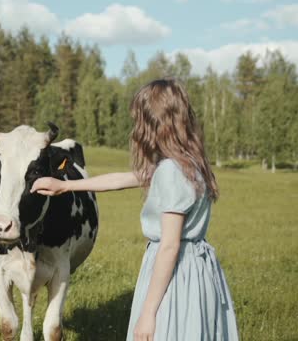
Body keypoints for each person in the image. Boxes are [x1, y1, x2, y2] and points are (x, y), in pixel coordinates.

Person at [30, 78, 239, 340]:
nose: (136, 129)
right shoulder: (186, 164)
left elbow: (170, 246)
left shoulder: (171, 172)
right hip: (195, 270)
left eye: (138, 120)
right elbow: (122, 179)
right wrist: (66, 186)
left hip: (175, 272)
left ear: (153, 125)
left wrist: (148, 313)